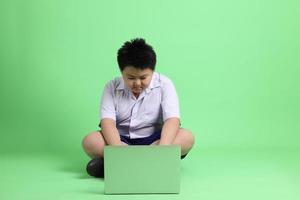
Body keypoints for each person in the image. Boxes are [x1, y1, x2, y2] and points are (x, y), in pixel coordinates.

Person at [82, 38, 195, 178]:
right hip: (122, 141)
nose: (137, 83)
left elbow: (172, 120)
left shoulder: (165, 84)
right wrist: (117, 150)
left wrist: (163, 150)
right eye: (130, 78)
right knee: (90, 141)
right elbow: (107, 123)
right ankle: (145, 165)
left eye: (143, 78)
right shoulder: (111, 87)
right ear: (121, 72)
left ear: (152, 71)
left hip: (155, 140)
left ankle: (116, 167)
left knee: (187, 138)